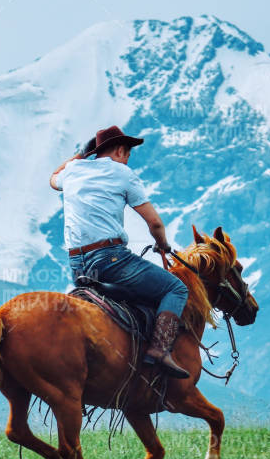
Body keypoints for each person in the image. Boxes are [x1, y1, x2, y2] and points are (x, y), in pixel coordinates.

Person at [49, 125, 190, 380]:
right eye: (128, 153)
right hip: (110, 259)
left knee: (126, 296)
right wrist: (163, 244)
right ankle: (159, 350)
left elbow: (53, 178)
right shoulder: (123, 173)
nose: (127, 159)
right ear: (120, 150)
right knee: (175, 289)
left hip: (77, 264)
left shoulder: (72, 170)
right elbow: (155, 223)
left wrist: (81, 154)